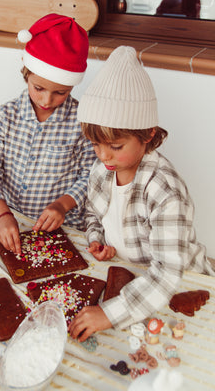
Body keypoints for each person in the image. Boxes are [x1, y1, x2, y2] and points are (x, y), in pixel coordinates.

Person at [68, 46, 215, 342]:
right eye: (95, 145)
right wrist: (97, 238)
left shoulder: (166, 192)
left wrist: (109, 313)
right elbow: (93, 214)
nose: (104, 156)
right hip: (131, 274)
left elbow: (166, 273)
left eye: (116, 146)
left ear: (148, 134)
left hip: (178, 281)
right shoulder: (101, 172)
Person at [0, 13, 96, 254]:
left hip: (61, 227)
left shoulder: (82, 122)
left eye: (60, 93)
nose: (47, 100)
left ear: (72, 86)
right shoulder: (6, 115)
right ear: (26, 74)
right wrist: (2, 214)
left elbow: (91, 176)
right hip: (9, 222)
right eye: (38, 88)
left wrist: (62, 206)